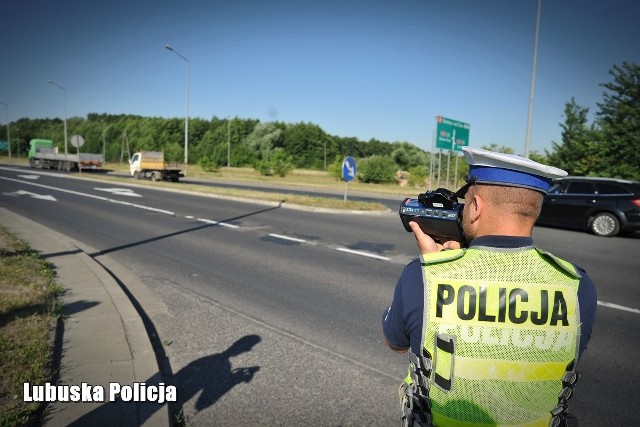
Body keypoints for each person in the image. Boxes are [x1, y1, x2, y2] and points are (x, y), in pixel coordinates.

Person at [382, 147, 597, 427]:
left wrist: (439, 267)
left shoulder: (422, 275)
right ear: (532, 211)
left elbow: (397, 343)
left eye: (465, 203)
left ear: (476, 207)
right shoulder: (577, 285)